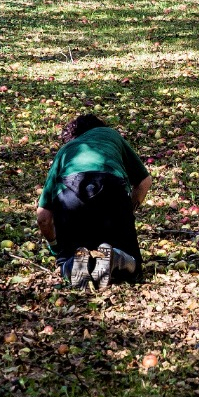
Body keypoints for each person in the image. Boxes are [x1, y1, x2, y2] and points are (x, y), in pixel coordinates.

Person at [35, 113, 151, 288]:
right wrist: (126, 211)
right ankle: (116, 257)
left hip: (69, 196)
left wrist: (55, 248)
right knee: (134, 266)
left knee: (68, 259)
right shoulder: (109, 134)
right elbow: (144, 182)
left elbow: (43, 217)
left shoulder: (65, 151)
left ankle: (71, 263)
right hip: (111, 189)